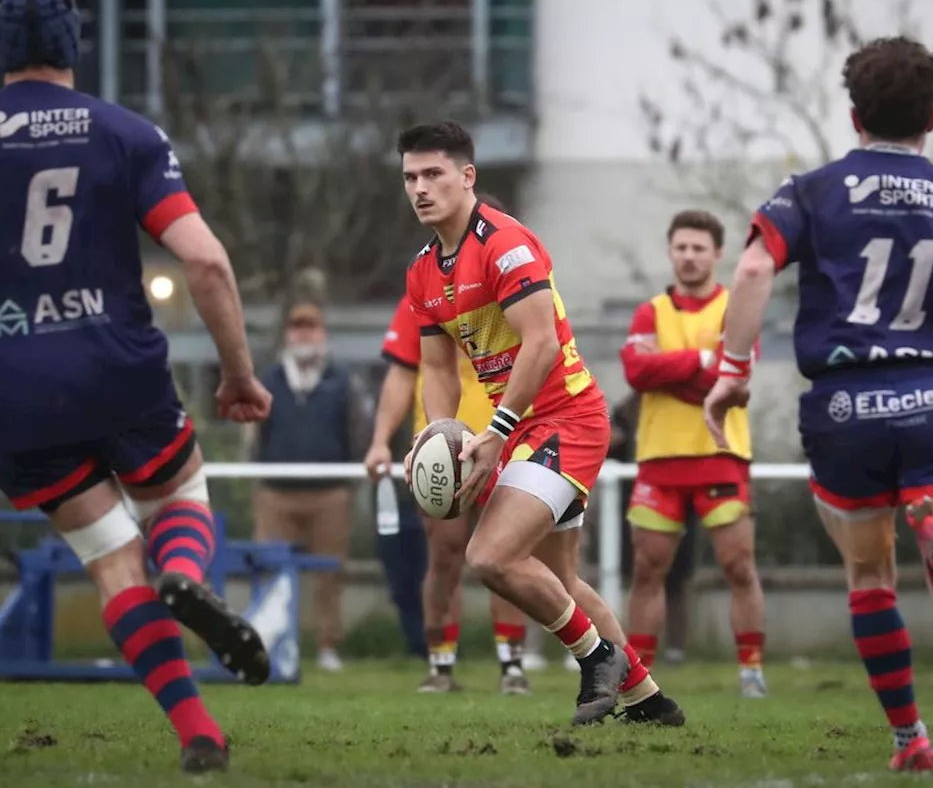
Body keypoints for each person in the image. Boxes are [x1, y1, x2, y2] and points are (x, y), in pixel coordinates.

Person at [0, 0, 272, 774]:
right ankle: (182, 571)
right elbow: (204, 260)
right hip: (119, 372)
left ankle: (199, 731)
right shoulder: (126, 134)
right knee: (178, 495)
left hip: (18, 398)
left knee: (108, 560)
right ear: (73, 43)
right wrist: (240, 375)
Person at [704, 36, 933, 772]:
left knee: (869, 578)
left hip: (844, 407)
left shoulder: (811, 191)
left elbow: (755, 265)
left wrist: (732, 369)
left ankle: (909, 737)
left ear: (854, 116)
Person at [396, 120, 684, 726]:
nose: (420, 188)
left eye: (433, 174)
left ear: (467, 176)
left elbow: (542, 345)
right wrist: (437, 435)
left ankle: (596, 657)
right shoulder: (423, 271)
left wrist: (495, 432)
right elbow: (439, 369)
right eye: (410, 178)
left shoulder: (505, 243)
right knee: (557, 578)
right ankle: (648, 702)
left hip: (567, 417)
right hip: (524, 426)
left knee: (491, 556)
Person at [366, 200, 535, 694]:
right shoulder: (421, 286)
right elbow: (403, 373)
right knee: (443, 557)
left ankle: (512, 665)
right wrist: (380, 440)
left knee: (506, 555)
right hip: (443, 444)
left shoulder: (512, 278)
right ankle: (441, 665)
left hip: (507, 434)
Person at [620, 210, 767, 697]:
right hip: (660, 457)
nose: (688, 256)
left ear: (717, 254)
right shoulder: (649, 312)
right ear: (670, 251)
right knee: (646, 569)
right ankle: (640, 679)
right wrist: (703, 362)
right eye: (680, 247)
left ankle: (751, 671)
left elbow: (736, 381)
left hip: (720, 452)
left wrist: (679, 371)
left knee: (738, 564)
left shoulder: (735, 308)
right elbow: (636, 373)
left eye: (698, 248)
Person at [248, 298, 370, 673]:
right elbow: (255, 435)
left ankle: (327, 646)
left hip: (330, 493)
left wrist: (351, 480)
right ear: (288, 335)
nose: (305, 334)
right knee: (270, 571)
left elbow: (357, 432)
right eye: (298, 328)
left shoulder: (342, 380)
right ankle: (270, 643)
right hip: (276, 492)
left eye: (311, 327)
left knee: (330, 574)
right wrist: (257, 477)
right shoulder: (269, 380)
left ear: (322, 334)